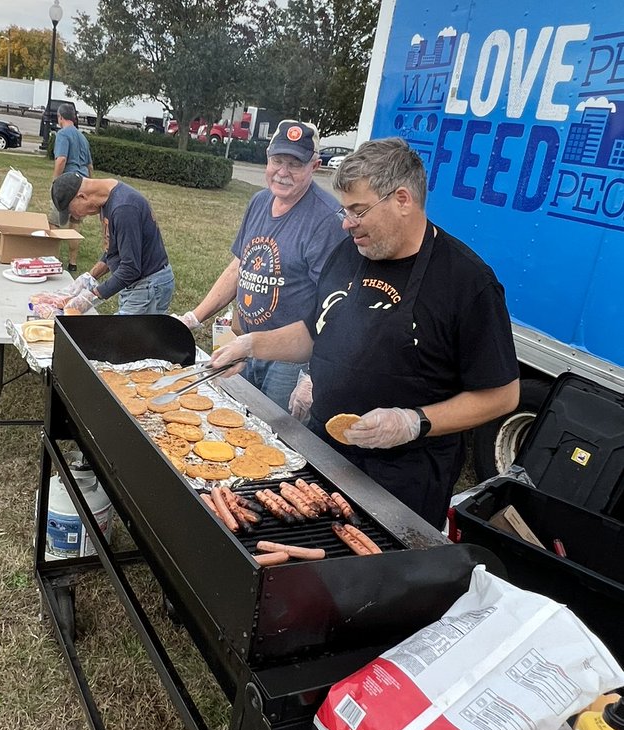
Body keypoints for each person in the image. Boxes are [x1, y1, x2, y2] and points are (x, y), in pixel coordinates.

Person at [210, 136, 520, 528]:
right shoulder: (350, 252)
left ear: (402, 200)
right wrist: (253, 344)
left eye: (358, 210)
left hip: (404, 474)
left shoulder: (466, 283)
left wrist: (413, 421)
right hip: (323, 447)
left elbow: (503, 395)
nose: (346, 223)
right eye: (344, 210)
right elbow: (313, 331)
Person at [176, 119, 343, 412]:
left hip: (290, 360)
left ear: (314, 166)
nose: (283, 172)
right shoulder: (259, 202)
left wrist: (312, 375)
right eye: (278, 160)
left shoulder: (327, 221)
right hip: (245, 341)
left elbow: (335, 306)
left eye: (295, 164)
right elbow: (238, 267)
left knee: (273, 435)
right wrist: (193, 317)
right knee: (240, 421)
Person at [50, 172, 174, 315]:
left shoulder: (124, 209)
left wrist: (92, 296)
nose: (76, 216)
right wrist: (88, 278)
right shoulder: (106, 200)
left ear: (82, 196)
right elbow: (115, 250)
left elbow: (130, 269)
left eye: (72, 211)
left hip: (149, 285)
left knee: (125, 337)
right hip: (137, 284)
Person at [49, 102, 93, 273]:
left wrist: (55, 181)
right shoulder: (83, 137)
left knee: (55, 222)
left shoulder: (63, 134)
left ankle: (54, 260)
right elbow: (90, 166)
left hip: (67, 183)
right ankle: (72, 263)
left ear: (60, 117)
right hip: (83, 183)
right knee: (75, 223)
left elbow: (61, 159)